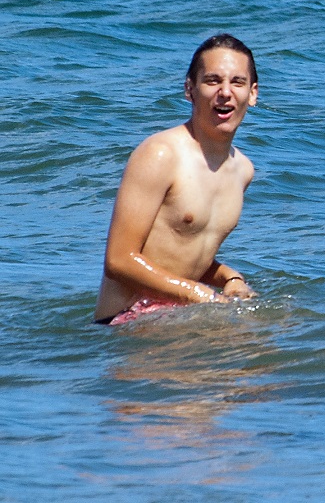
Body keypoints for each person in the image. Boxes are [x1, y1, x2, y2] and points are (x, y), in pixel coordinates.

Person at [94, 34, 259, 325]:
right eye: (212, 81)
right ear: (189, 89)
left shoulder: (243, 170)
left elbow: (185, 253)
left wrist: (229, 278)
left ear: (253, 93)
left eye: (237, 82)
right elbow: (118, 260)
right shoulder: (160, 155)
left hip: (178, 314)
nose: (225, 92)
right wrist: (199, 295)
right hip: (125, 324)